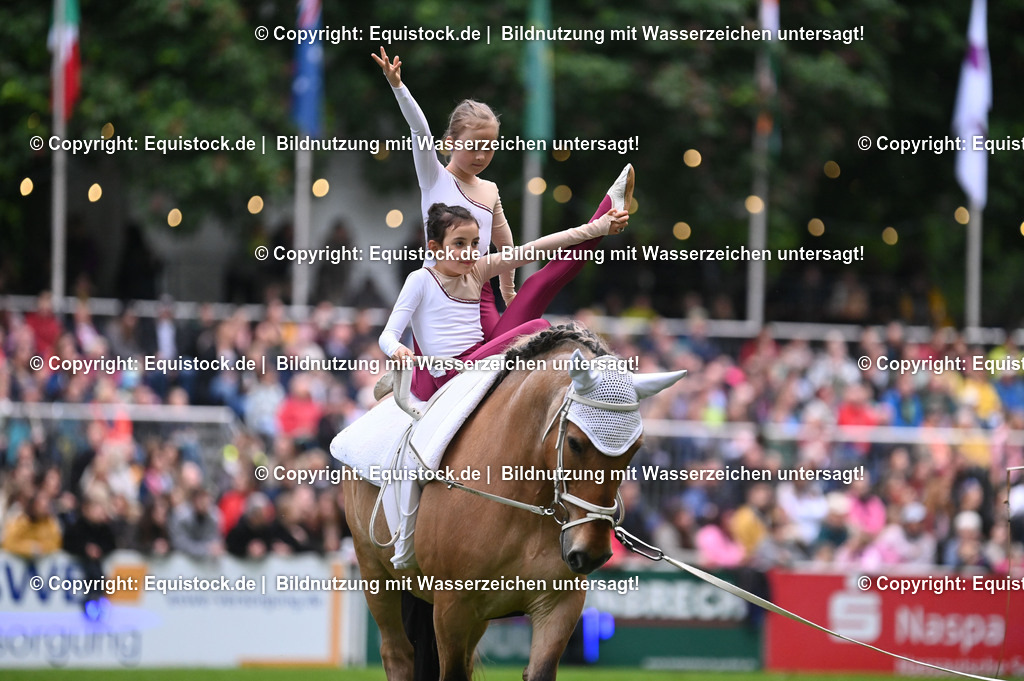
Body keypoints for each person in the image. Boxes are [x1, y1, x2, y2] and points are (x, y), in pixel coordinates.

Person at [371, 48, 630, 345]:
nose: (481, 156)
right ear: (450, 143)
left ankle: (603, 219)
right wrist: (398, 86)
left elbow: (507, 247)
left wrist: (509, 294)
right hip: (439, 291)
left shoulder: (490, 189)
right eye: (473, 146)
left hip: (480, 290)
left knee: (536, 289)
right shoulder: (435, 177)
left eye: (490, 147)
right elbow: (420, 130)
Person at [379, 202, 627, 401]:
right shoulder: (420, 279)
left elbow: (534, 249)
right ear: (434, 247)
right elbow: (387, 335)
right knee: (538, 327)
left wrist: (595, 229)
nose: (469, 251)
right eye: (459, 244)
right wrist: (398, 349)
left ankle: (412, 381)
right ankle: (411, 379)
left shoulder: (477, 269)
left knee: (536, 323)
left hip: (478, 357)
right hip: (452, 371)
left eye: (475, 243)